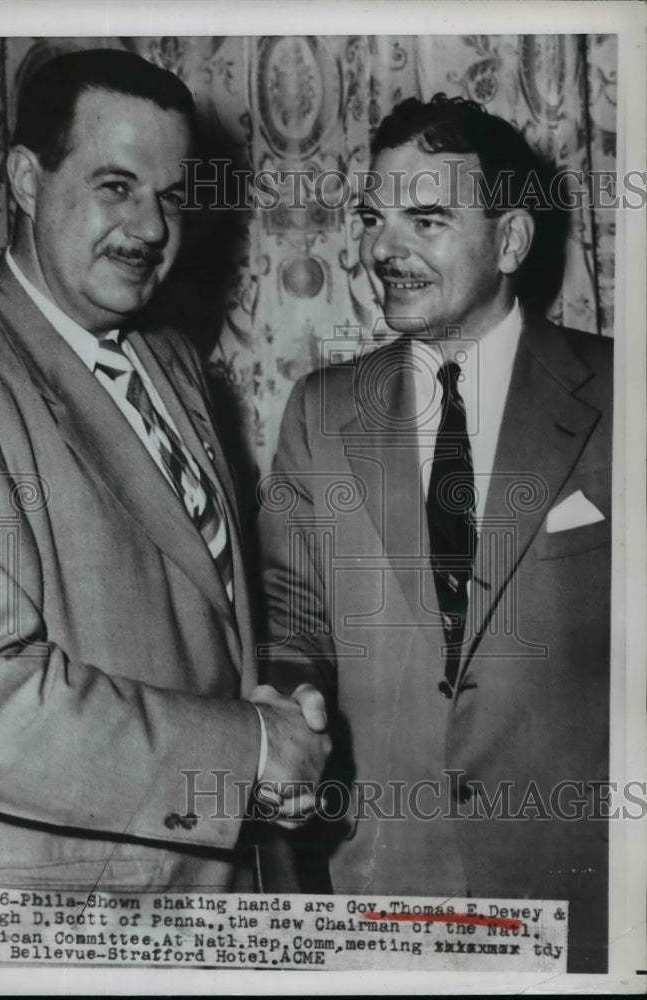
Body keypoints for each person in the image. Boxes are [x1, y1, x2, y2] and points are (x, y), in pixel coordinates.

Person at [0, 48, 330, 915]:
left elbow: (208, 621)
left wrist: (279, 715)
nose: (150, 228)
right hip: (80, 918)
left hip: (225, 893)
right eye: (115, 186)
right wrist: (250, 750)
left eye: (171, 195)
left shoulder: (171, 358)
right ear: (29, 181)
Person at [258, 95, 612, 972]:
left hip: (583, 895)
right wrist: (290, 696)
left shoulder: (623, 395)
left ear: (511, 242)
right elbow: (291, 611)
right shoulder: (319, 411)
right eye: (375, 218)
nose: (383, 248)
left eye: (425, 218)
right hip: (379, 893)